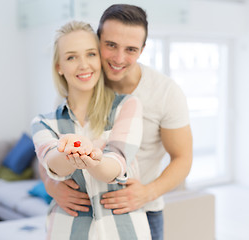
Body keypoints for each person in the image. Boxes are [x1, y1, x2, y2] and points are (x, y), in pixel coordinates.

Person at [40, 4, 193, 240]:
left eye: (130, 49)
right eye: (111, 45)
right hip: (84, 210)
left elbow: (183, 158)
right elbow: (48, 143)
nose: (119, 58)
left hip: (139, 207)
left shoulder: (165, 93)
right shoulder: (79, 83)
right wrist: (51, 185)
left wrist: (146, 193)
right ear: (98, 40)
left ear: (142, 50)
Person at [31, 20, 151, 239]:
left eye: (90, 54)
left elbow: (116, 164)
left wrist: (92, 157)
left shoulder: (127, 106)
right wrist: (72, 150)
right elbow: (52, 162)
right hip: (66, 231)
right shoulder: (43, 122)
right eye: (71, 57)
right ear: (59, 66)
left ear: (100, 59)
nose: (83, 65)